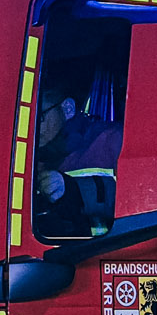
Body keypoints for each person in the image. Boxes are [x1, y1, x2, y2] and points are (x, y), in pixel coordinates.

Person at [34, 94, 123, 233]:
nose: (30, 126)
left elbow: (142, 201)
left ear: (67, 109)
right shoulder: (28, 157)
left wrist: (72, 189)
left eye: (40, 116)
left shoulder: (112, 140)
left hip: (105, 251)